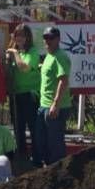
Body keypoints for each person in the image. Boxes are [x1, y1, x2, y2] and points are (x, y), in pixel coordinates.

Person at [35, 26, 72, 166]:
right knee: (43, 141)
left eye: (51, 38)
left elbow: (63, 80)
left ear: (58, 39)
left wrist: (55, 104)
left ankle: (59, 171)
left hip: (56, 108)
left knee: (55, 145)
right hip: (44, 105)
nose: (47, 41)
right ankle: (49, 170)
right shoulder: (49, 56)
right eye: (45, 38)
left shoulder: (60, 56)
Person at [4, 23, 40, 159]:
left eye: (22, 36)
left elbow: (24, 68)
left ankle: (37, 158)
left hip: (30, 95)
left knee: (33, 128)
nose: (19, 38)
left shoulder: (33, 52)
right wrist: (7, 60)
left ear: (28, 37)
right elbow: (7, 72)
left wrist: (14, 53)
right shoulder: (13, 52)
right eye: (17, 35)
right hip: (16, 95)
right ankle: (22, 157)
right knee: (18, 129)